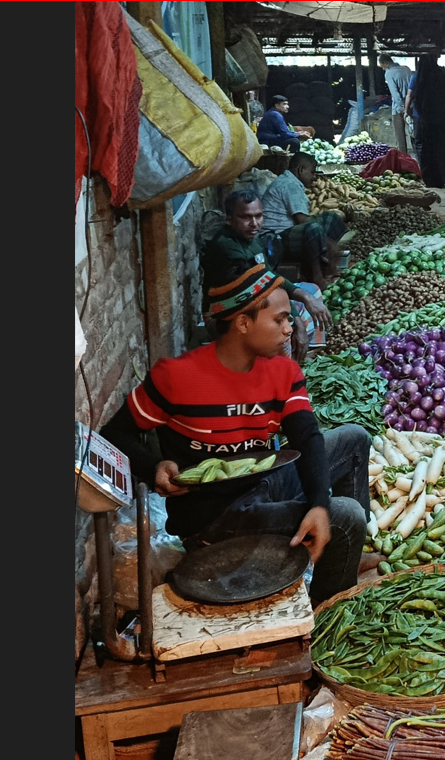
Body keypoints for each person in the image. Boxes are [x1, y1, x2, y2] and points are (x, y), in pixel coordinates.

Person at [100, 265, 375, 605]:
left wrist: (318, 504)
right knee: (346, 515)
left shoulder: (282, 371)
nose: (289, 328)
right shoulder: (176, 377)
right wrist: (154, 466)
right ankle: (325, 609)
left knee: (354, 439)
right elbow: (114, 434)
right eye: (280, 319)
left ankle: (343, 553)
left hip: (264, 483)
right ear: (243, 323)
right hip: (215, 518)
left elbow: (307, 437)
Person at [201, 189, 332, 358]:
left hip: (253, 300)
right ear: (230, 219)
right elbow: (265, 284)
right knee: (279, 317)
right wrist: (301, 308)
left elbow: (271, 278)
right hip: (222, 317)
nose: (254, 223)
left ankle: (305, 353)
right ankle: (283, 364)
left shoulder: (252, 240)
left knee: (312, 290)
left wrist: (300, 310)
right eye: (246, 217)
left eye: (258, 216)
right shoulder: (225, 245)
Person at [259, 152, 348, 293]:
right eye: (312, 172)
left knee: (331, 218)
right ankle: (316, 276)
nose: (314, 177)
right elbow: (301, 220)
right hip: (274, 240)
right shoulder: (290, 184)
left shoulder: (291, 182)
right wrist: (330, 243)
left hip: (287, 232)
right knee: (312, 229)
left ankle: (326, 264)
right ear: (300, 170)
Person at [410, 55, 445, 189]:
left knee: (428, 152)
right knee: (444, 151)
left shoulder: (421, 80)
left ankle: (432, 179)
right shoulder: (443, 79)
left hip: (428, 125)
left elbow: (417, 102)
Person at [379, 54, 413, 155]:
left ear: (386, 63)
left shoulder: (389, 73)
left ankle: (403, 158)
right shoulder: (406, 69)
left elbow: (395, 94)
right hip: (412, 105)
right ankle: (418, 157)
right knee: (414, 133)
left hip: (399, 108)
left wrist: (403, 109)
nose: (383, 69)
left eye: (382, 66)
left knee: (400, 136)